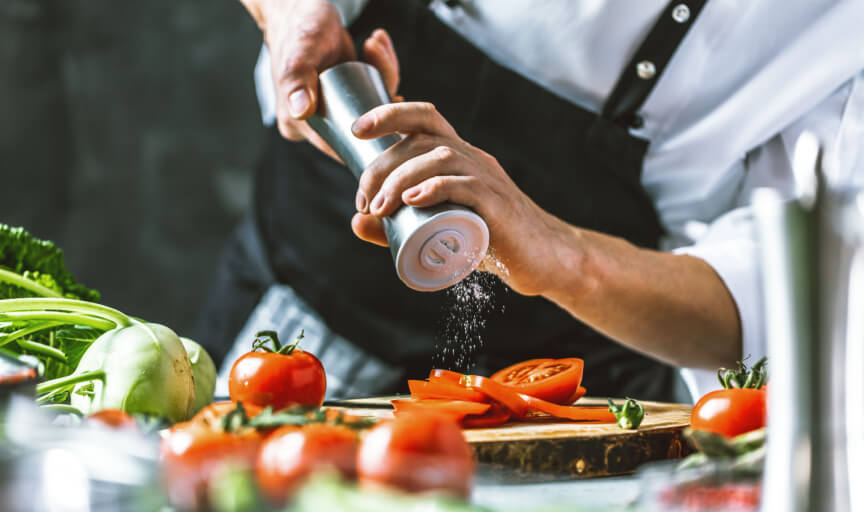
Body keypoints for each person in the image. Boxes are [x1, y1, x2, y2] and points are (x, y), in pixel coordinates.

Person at [198, 0, 864, 402]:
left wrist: (558, 254)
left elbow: (779, 293)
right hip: (299, 325)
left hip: (560, 396)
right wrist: (291, 17)